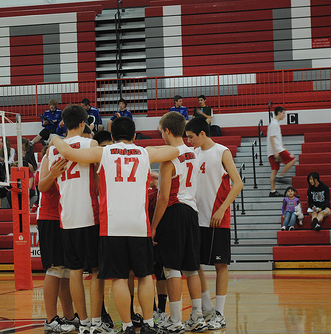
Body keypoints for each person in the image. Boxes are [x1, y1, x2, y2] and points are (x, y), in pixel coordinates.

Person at [50, 115, 179, 334]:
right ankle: (148, 323)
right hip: (139, 225)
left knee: (119, 277)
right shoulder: (145, 152)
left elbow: (69, 153)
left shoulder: (104, 152)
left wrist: (55, 138)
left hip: (112, 225)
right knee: (145, 275)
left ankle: (127, 326)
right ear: (135, 135)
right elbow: (175, 150)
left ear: (111, 136)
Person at [46, 104, 109, 334]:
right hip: (89, 215)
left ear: (63, 123)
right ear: (84, 123)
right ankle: (95, 322)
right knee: (94, 271)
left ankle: (82, 323)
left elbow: (44, 184)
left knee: (74, 270)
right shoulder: (90, 144)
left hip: (67, 217)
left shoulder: (53, 150)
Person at [185, 117, 243, 330]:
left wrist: (222, 208)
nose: (188, 141)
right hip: (196, 217)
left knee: (220, 265)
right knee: (194, 263)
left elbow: (238, 183)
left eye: (191, 137)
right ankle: (205, 307)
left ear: (202, 133)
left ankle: (219, 313)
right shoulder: (193, 154)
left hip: (217, 218)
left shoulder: (222, 151)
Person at [151, 111, 207, 333]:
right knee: (192, 269)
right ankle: (198, 316)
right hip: (191, 212)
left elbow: (163, 197)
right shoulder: (193, 152)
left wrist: (154, 226)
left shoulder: (169, 158)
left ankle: (175, 320)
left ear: (166, 130)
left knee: (172, 269)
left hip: (173, 212)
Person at [37, 144, 79, 333]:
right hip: (50, 217)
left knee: (67, 270)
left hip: (66, 217)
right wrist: (53, 173)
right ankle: (50, 320)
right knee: (54, 269)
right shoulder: (50, 158)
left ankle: (69, 316)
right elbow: (41, 186)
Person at [266, 106, 296, 197]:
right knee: (292, 159)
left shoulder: (274, 124)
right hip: (277, 150)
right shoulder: (274, 124)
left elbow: (276, 138)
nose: (284, 115)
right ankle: (281, 176)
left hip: (274, 150)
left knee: (274, 170)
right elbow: (271, 138)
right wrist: (276, 151)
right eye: (283, 113)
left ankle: (273, 191)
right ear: (279, 113)